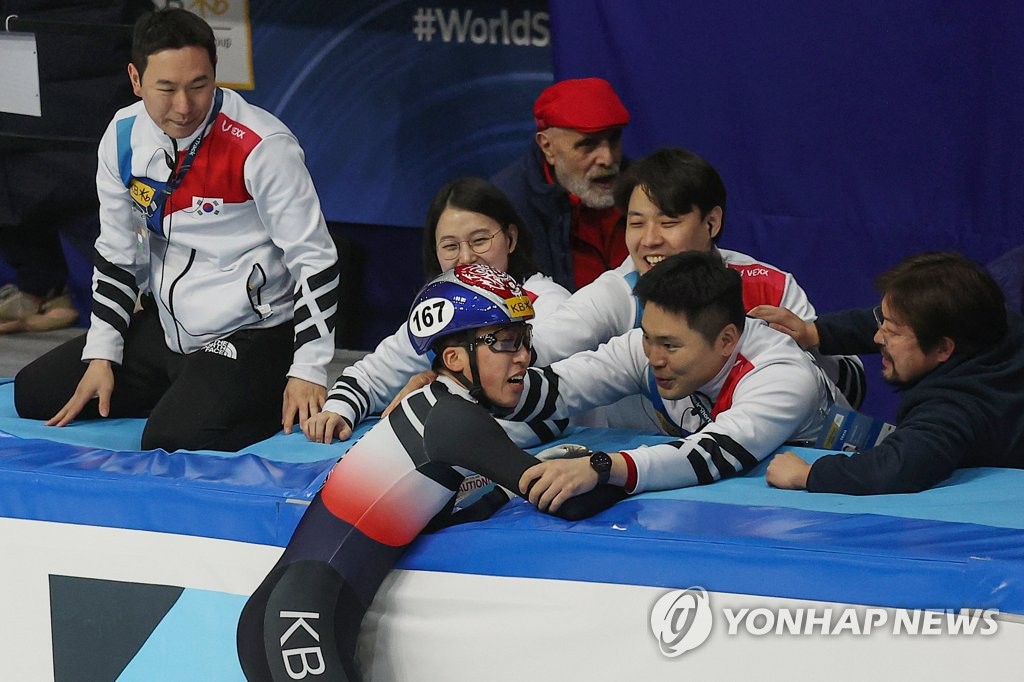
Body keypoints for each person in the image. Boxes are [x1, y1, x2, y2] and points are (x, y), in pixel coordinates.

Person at [236, 264, 622, 682]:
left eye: (525, 339)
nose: (525, 356)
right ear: (455, 358)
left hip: (291, 611)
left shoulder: (435, 404)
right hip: (302, 618)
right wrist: (613, 467)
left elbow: (437, 511)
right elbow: (569, 501)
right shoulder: (454, 419)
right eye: (506, 342)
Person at [13, 8, 339, 452]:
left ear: (214, 74)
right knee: (35, 393)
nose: (184, 107)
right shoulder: (123, 136)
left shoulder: (262, 146)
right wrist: (103, 352)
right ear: (135, 79)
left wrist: (309, 369)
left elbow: (315, 259)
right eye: (166, 88)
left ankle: (249, 391)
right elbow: (117, 252)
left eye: (199, 85)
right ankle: (195, 393)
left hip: (252, 333)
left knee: (170, 438)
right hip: (168, 329)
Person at [502, 251, 845, 512]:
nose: (654, 357)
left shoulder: (782, 376)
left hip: (823, 510)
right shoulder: (654, 344)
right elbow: (562, 386)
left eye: (670, 345)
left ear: (727, 340)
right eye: (649, 338)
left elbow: (710, 455)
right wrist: (480, 385)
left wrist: (602, 466)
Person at [307, 177, 569, 447]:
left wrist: (435, 396)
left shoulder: (550, 303)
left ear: (511, 238)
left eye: (480, 241)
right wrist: (337, 412)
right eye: (451, 246)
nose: (466, 258)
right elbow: (371, 376)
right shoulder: (443, 310)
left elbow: (546, 410)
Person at [750, 251, 1024, 495]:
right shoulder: (990, 318)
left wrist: (807, 475)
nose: (878, 337)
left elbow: (897, 467)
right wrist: (815, 331)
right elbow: (881, 319)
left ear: (943, 348)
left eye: (891, 332)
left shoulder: (956, 408)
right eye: (884, 324)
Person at [491, 77, 630, 291]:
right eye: (588, 144)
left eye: (614, 140)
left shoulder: (646, 189)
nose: (608, 159)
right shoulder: (505, 206)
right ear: (547, 147)